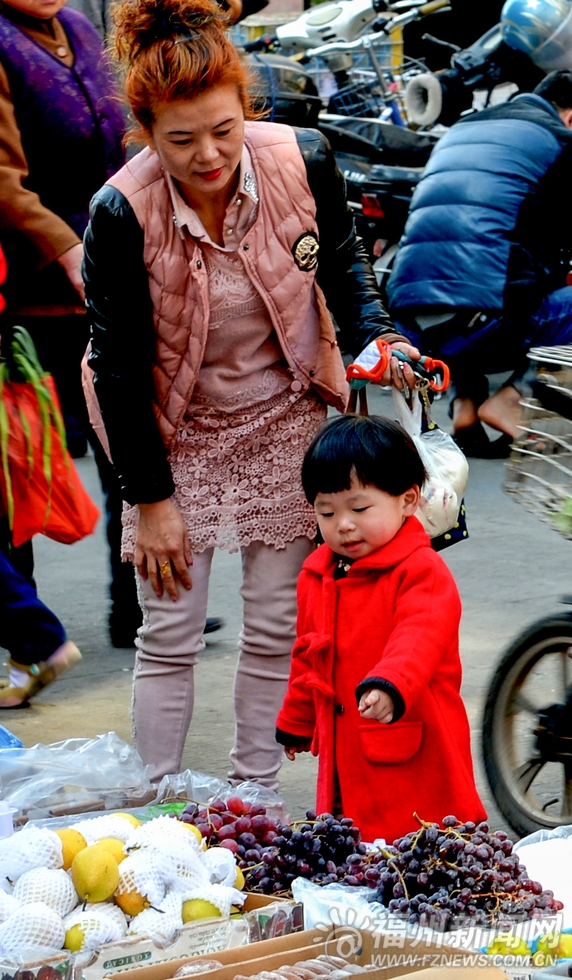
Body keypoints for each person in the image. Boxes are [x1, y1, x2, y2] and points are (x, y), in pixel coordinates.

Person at [82, 0, 420, 786]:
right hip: (172, 431)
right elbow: (119, 372)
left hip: (283, 415)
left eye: (224, 131)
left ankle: (253, 801)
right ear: (145, 131)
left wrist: (383, 339)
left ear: (246, 108)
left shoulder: (304, 160)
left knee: (276, 626)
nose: (209, 156)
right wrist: (151, 498)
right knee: (168, 631)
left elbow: (345, 276)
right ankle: (158, 808)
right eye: (182, 140)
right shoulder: (119, 213)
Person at [275, 414, 486, 843]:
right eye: (326, 511)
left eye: (359, 508)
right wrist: (297, 720)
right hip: (344, 749)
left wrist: (391, 685)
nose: (343, 524)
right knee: (356, 849)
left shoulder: (421, 570)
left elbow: (419, 636)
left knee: (422, 847)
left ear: (408, 501)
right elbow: (309, 654)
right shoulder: (318, 575)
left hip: (413, 743)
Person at [387, 69, 572, 457]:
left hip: (411, 328)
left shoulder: (462, 128)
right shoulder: (559, 141)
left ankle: (464, 408)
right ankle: (514, 399)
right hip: (482, 326)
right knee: (497, 285)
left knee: (472, 273)